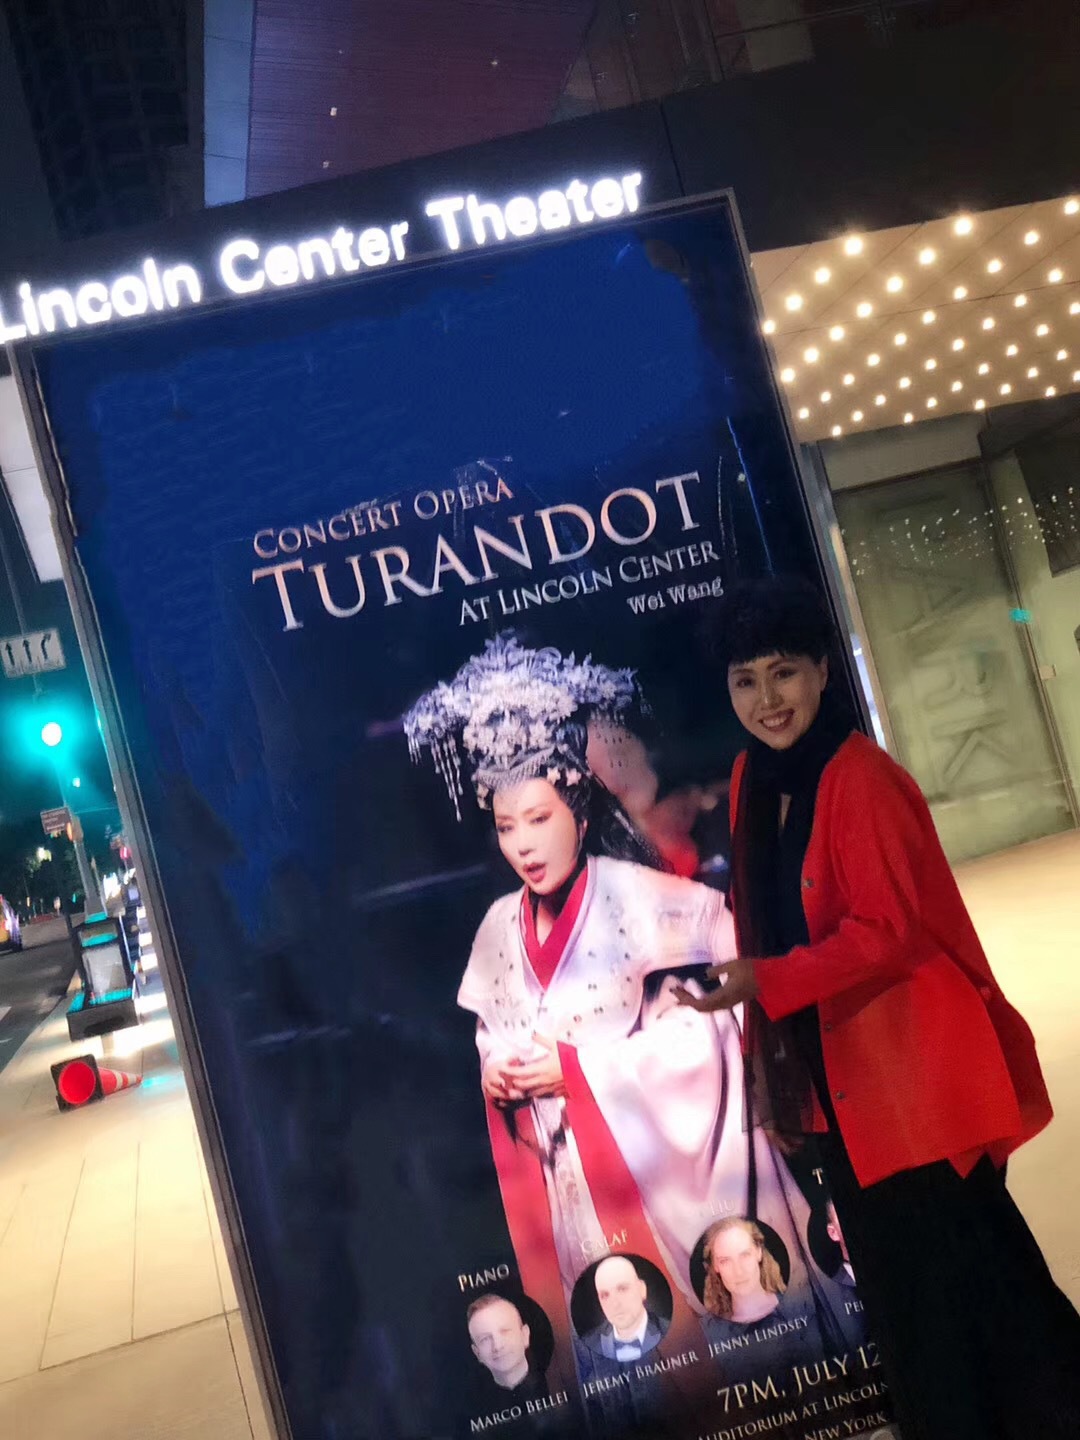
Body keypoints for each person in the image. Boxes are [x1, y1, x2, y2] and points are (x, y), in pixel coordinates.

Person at [676, 574, 1080, 1440]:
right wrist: (769, 1046)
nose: (766, 699)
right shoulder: (752, 777)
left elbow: (888, 931)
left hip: (912, 1075)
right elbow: (764, 916)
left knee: (992, 1288)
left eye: (784, 672)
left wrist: (766, 981)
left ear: (823, 671)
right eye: (745, 681)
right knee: (909, 1302)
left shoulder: (862, 777)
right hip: (839, 1085)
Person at [404, 634, 818, 1387]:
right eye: (506, 826)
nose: (524, 846)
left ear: (580, 811)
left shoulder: (644, 898)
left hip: (647, 1165)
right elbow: (491, 1031)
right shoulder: (497, 925)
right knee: (616, 1347)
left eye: (539, 818)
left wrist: (584, 1071)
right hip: (567, 1172)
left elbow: (726, 1007)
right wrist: (498, 1071)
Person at [699, 1217, 819, 1383]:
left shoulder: (800, 1306)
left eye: (745, 1255)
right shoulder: (710, 1332)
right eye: (725, 1261)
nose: (738, 1271)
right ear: (715, 1266)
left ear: (758, 1252)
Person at [580, 1254, 669, 1362]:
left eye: (622, 1289)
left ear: (642, 1289)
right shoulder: (587, 1345)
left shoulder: (674, 1332)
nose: (615, 1304)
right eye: (605, 1295)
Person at [467, 1294, 548, 1401]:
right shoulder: (473, 1402)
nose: (498, 1346)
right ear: (477, 1353)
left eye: (505, 1332)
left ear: (524, 1335)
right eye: (485, 1339)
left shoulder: (557, 1383)